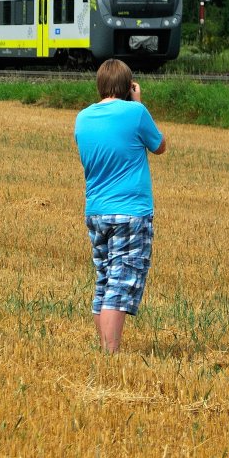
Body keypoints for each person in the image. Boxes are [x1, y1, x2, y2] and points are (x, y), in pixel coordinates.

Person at [74, 59, 167, 353]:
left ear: (99, 86)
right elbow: (160, 145)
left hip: (96, 211)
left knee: (105, 280)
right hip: (130, 211)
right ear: (129, 87)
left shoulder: (83, 118)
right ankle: (110, 354)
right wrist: (139, 103)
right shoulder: (135, 112)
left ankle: (105, 350)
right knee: (121, 281)